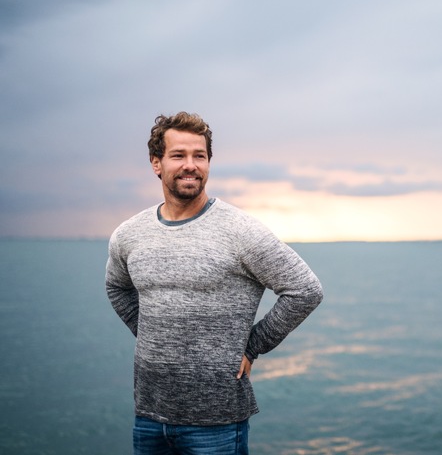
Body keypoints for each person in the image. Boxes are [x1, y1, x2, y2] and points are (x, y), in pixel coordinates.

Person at [105, 111, 323, 454]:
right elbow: (116, 287)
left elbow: (305, 290)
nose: (190, 165)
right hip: (149, 414)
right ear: (156, 163)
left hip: (217, 423)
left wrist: (252, 346)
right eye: (178, 155)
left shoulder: (241, 231)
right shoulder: (129, 234)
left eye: (200, 156)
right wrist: (149, 333)